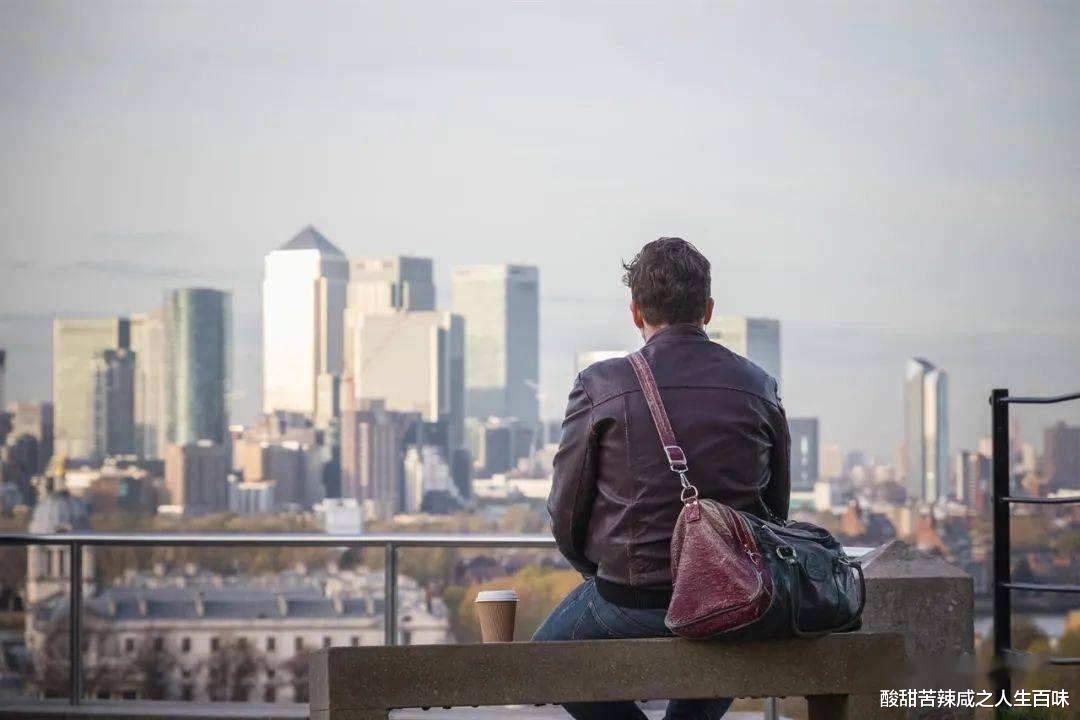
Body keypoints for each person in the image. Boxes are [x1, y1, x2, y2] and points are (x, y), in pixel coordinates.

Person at [534, 237, 791, 720]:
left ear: (636, 312)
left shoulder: (601, 386)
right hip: (732, 595)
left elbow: (565, 513)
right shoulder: (759, 385)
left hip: (631, 597)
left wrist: (597, 573)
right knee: (724, 626)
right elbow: (776, 509)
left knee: (544, 658)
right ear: (708, 310)